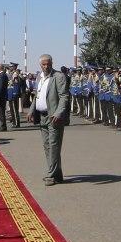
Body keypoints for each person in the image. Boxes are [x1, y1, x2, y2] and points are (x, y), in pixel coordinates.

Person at [34, 54, 70, 185]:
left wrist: (59, 113)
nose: (46, 66)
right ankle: (57, 175)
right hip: (42, 116)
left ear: (52, 63)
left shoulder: (58, 76)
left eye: (48, 64)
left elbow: (64, 96)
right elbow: (37, 96)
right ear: (40, 65)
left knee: (54, 146)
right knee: (47, 146)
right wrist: (32, 110)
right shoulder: (39, 77)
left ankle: (51, 175)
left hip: (54, 117)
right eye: (43, 64)